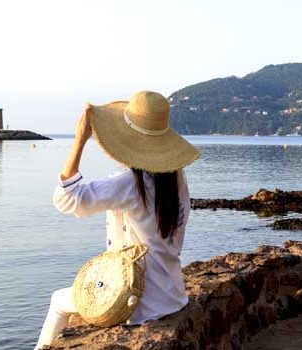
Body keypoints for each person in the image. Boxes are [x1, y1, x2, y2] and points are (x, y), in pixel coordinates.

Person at [35, 91, 200, 350]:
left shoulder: (131, 185)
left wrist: (80, 140)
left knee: (58, 301)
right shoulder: (176, 180)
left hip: (137, 301)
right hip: (172, 294)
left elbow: (66, 199)